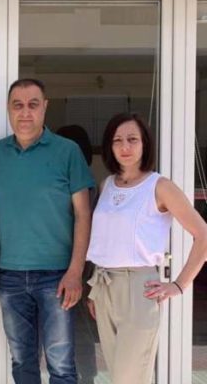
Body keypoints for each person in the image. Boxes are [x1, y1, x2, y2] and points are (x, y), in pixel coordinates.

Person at [0, 78, 95, 384]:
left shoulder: (67, 152)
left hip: (57, 276)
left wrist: (75, 272)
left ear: (45, 107)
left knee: (61, 365)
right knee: (22, 363)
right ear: (8, 109)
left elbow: (83, 215)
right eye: (17, 105)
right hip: (10, 276)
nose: (25, 112)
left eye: (33, 104)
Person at [86, 112, 207, 384]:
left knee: (129, 378)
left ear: (145, 144)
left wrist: (178, 285)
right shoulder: (107, 185)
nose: (125, 147)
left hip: (138, 287)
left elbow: (203, 235)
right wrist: (95, 293)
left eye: (132, 139)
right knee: (118, 375)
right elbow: (106, 239)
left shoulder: (160, 186)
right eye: (117, 140)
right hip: (104, 286)